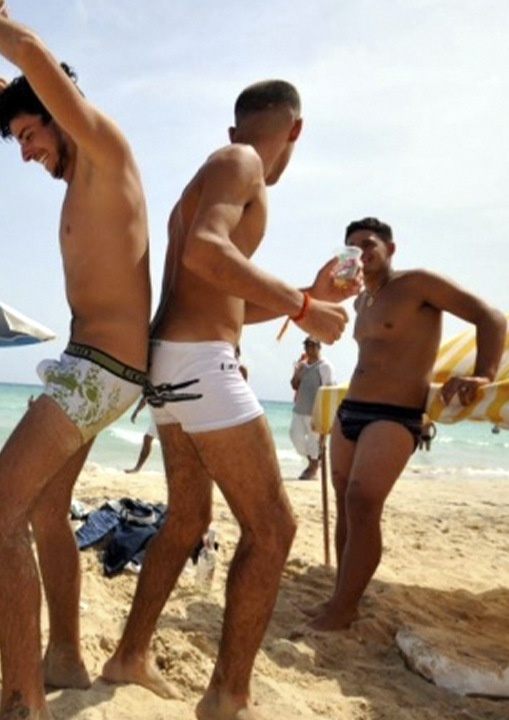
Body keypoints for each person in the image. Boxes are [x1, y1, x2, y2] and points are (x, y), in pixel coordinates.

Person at [99, 80, 355, 719]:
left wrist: (307, 295)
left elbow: (215, 286)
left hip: (170, 364)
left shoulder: (218, 171)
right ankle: (228, 697)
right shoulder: (240, 163)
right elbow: (209, 257)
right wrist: (302, 307)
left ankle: (130, 655)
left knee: (188, 517)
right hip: (199, 365)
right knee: (272, 529)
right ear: (295, 130)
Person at [0, 1, 152, 717]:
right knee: (45, 510)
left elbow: (33, 51)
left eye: (29, 132)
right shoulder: (84, 175)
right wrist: (14, 97)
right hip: (97, 367)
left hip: (99, 370)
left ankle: (22, 702)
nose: (24, 151)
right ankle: (66, 658)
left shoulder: (104, 148)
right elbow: (36, 84)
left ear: (60, 108)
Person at [302, 217, 505, 632]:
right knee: (344, 504)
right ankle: (342, 598)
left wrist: (485, 374)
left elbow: (491, 317)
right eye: (353, 247)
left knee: (362, 502)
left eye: (370, 243)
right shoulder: (360, 302)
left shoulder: (419, 285)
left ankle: (343, 609)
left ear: (391, 248)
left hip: (395, 415)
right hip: (351, 410)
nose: (362, 252)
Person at [289, 337, 334, 480]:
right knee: (295, 437)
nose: (309, 349)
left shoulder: (325, 366)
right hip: (299, 408)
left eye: (312, 346)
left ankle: (313, 467)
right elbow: (294, 385)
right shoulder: (303, 365)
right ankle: (313, 462)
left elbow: (328, 389)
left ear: (319, 347)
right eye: (307, 346)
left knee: (313, 441)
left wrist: (324, 413)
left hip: (314, 411)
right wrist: (296, 371)